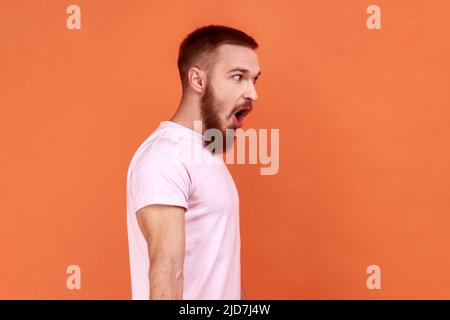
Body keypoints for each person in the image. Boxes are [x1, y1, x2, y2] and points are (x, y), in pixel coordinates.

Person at [126, 25, 261, 300]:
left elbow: (224, 270)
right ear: (198, 80)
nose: (252, 94)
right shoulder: (165, 157)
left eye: (254, 80)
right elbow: (167, 273)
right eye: (238, 77)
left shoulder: (205, 152)